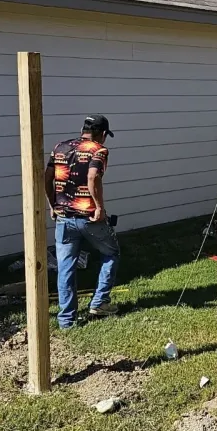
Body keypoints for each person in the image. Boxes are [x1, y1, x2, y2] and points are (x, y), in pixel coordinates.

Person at [45, 114, 120, 329]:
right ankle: (100, 302)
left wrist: (52, 204)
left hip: (63, 218)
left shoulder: (60, 147)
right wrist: (98, 207)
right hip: (89, 217)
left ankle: (66, 320)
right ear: (103, 134)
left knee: (66, 268)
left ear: (82, 129)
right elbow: (93, 176)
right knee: (111, 253)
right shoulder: (98, 150)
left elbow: (47, 177)